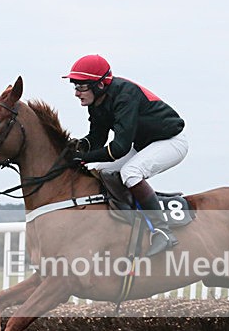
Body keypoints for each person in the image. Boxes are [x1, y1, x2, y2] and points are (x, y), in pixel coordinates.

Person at [63, 54, 189, 257]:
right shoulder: (97, 102)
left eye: (82, 86)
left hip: (171, 142)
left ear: (100, 85)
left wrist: (83, 157)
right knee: (97, 170)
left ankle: (162, 232)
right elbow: (97, 138)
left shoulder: (125, 95)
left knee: (130, 172)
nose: (77, 93)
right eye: (75, 86)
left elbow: (119, 148)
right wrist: (78, 148)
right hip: (144, 144)